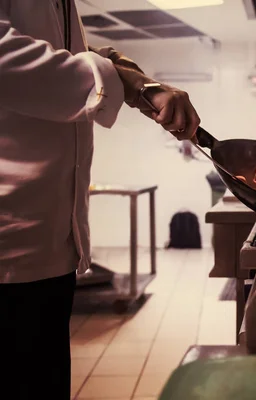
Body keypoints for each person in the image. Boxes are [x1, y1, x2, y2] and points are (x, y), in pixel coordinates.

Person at [0, 1, 201, 398]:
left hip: (49, 239)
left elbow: (66, 59)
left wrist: (127, 74)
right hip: (9, 244)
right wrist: (116, 79)